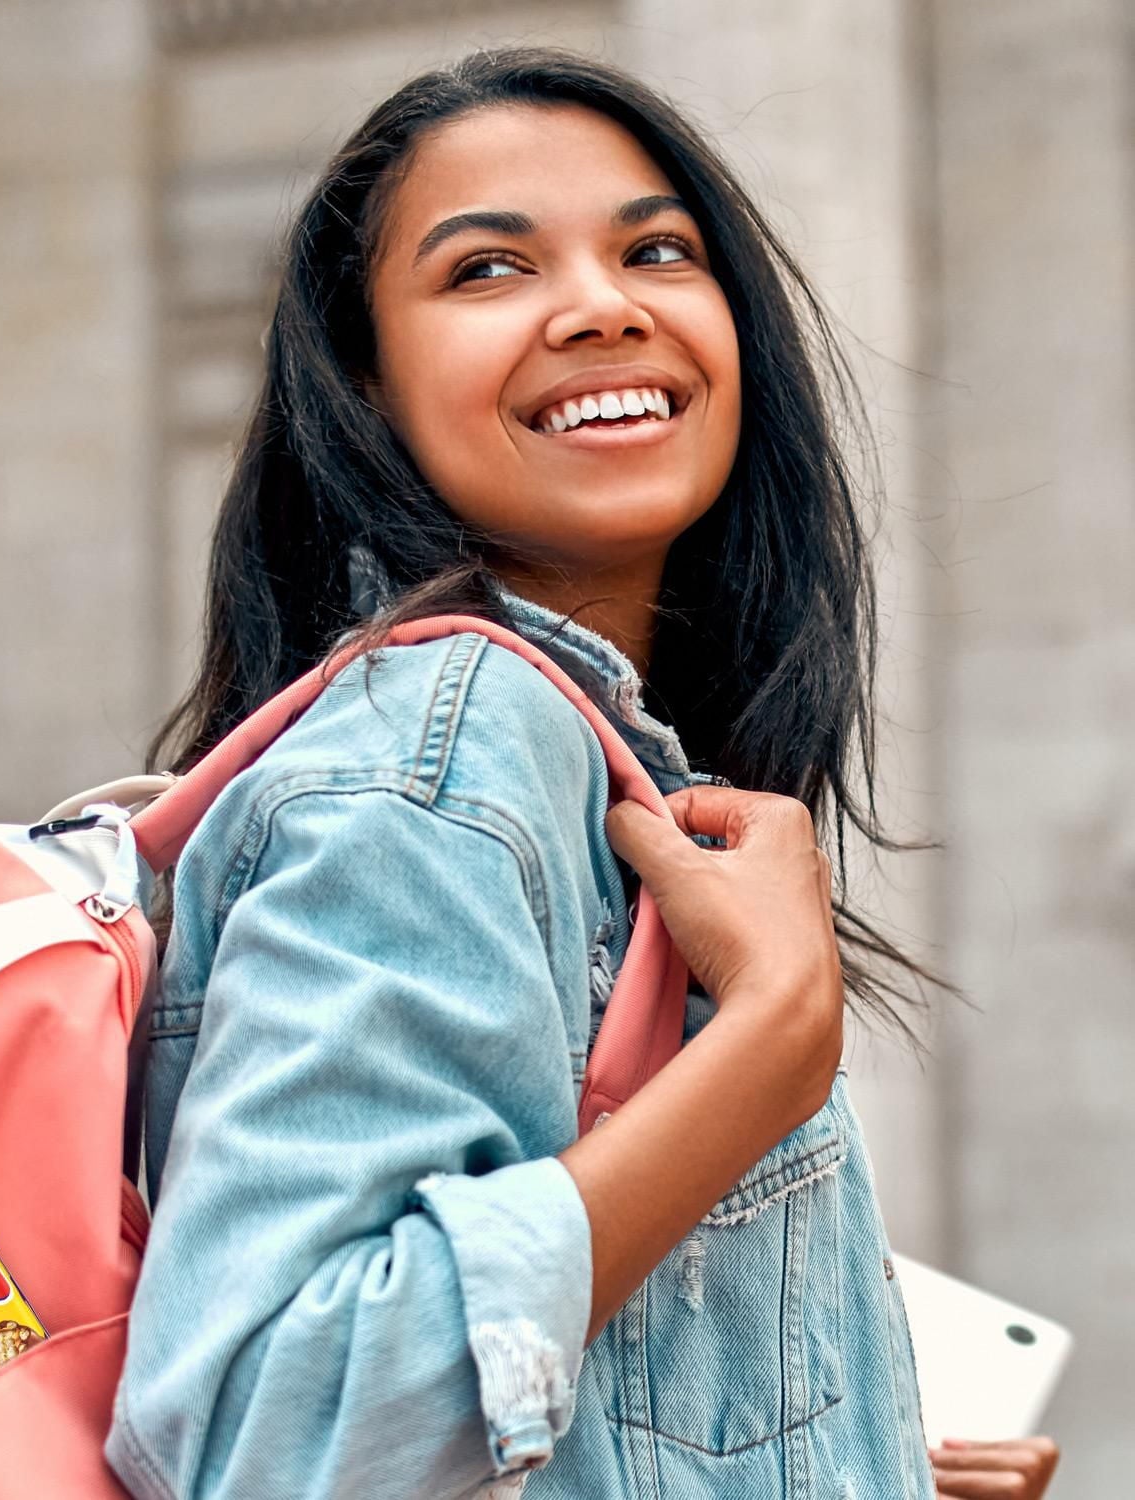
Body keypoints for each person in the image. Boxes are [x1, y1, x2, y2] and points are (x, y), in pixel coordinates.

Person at [104, 46, 1057, 1499]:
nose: (604, 306)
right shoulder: (437, 751)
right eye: (488, 271)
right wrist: (765, 1050)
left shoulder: (590, 770)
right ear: (366, 382)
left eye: (657, 250)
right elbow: (269, 1433)